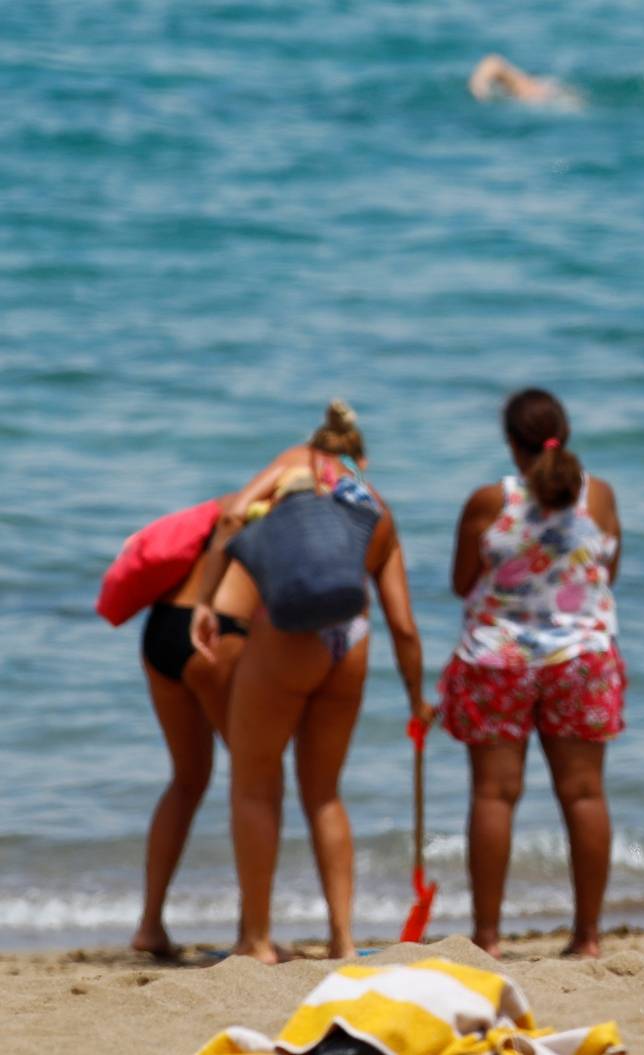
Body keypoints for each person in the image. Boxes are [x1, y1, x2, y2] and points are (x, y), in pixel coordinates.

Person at [189, 400, 431, 963]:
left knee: (254, 783)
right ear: (359, 455)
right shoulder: (374, 508)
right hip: (349, 646)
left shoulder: (290, 468)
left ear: (315, 447)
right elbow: (403, 623)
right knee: (324, 794)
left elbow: (229, 520)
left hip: (285, 642)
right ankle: (343, 938)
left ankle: (256, 939)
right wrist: (417, 697)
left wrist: (204, 601)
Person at [438, 388, 624, 959]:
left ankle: (488, 939)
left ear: (510, 442)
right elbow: (607, 573)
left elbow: (461, 581)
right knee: (586, 794)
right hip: (582, 659)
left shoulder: (490, 501)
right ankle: (587, 938)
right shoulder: (601, 496)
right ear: (562, 434)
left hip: (498, 660)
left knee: (494, 796)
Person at [131, 505, 257, 958]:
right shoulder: (292, 507)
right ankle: (252, 933)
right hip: (214, 632)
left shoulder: (230, 507)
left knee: (186, 779)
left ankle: (149, 925)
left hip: (162, 626)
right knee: (255, 779)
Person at [468, 53, 580, 107]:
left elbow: (493, 62)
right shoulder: (522, 87)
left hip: (539, 92)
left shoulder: (524, 89)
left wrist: (478, 91)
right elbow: (493, 62)